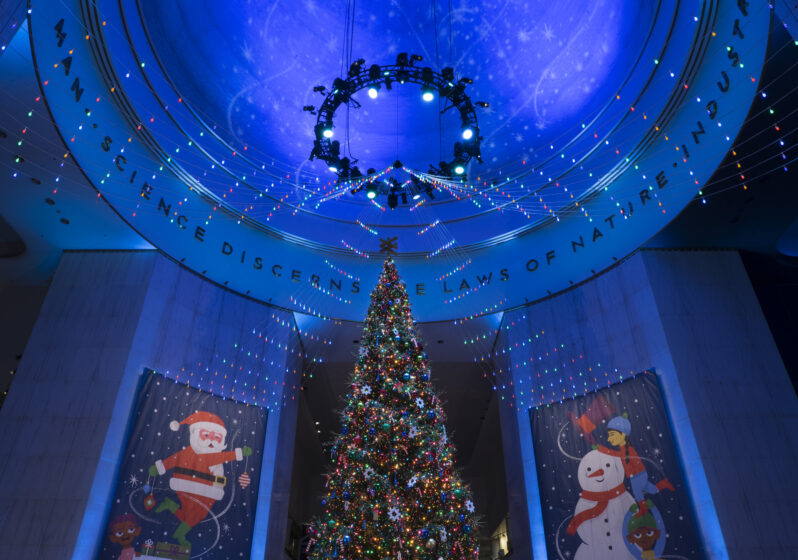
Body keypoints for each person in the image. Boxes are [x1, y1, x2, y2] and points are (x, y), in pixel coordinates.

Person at [148, 411, 251, 547]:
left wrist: (160, 468)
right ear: (195, 434)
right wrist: (239, 453)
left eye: (217, 437)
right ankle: (179, 534)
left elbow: (174, 459)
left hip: (201, 489)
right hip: (195, 488)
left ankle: (171, 507)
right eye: (206, 435)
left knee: (189, 515)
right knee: (195, 516)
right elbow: (174, 459)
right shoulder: (201, 455)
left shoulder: (206, 455)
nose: (211, 440)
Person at [597, 413, 674, 516]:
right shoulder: (624, 449)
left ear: (623, 435)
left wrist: (601, 449)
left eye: (612, 435)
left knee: (638, 494)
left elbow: (615, 454)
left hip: (637, 476)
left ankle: (644, 511)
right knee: (652, 490)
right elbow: (617, 454)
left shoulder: (628, 449)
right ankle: (663, 484)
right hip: (639, 475)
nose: (609, 439)